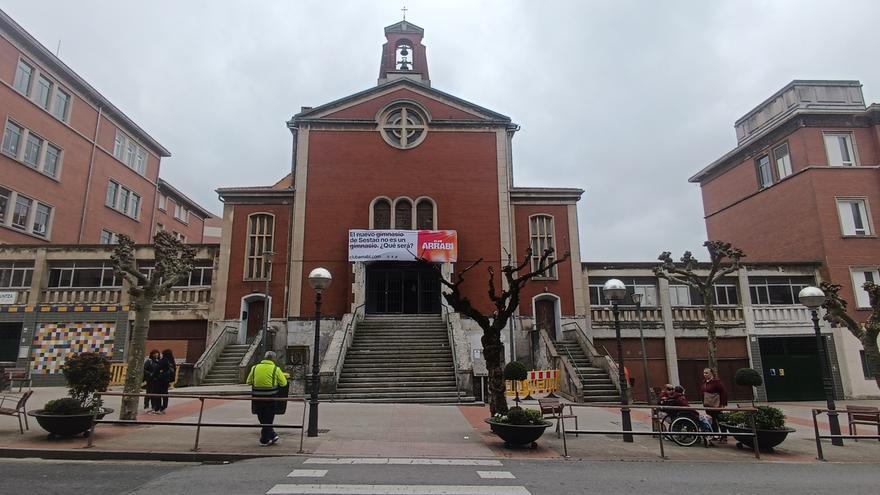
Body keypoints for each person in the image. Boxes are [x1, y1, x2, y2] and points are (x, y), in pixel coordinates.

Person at [246, 351, 288, 446]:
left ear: (264, 358)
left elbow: (248, 382)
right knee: (269, 418)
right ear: (273, 359)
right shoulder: (276, 369)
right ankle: (264, 439)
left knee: (262, 417)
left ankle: (271, 435)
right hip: (271, 398)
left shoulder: (254, 368)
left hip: (257, 398)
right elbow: (284, 383)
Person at [700, 367, 728, 442]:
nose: (704, 374)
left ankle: (724, 436)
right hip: (707, 405)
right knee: (712, 420)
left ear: (711, 373)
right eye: (704, 373)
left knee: (720, 419)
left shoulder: (717, 382)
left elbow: (723, 392)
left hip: (716, 404)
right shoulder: (704, 382)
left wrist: (722, 403)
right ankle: (715, 434)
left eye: (706, 373)